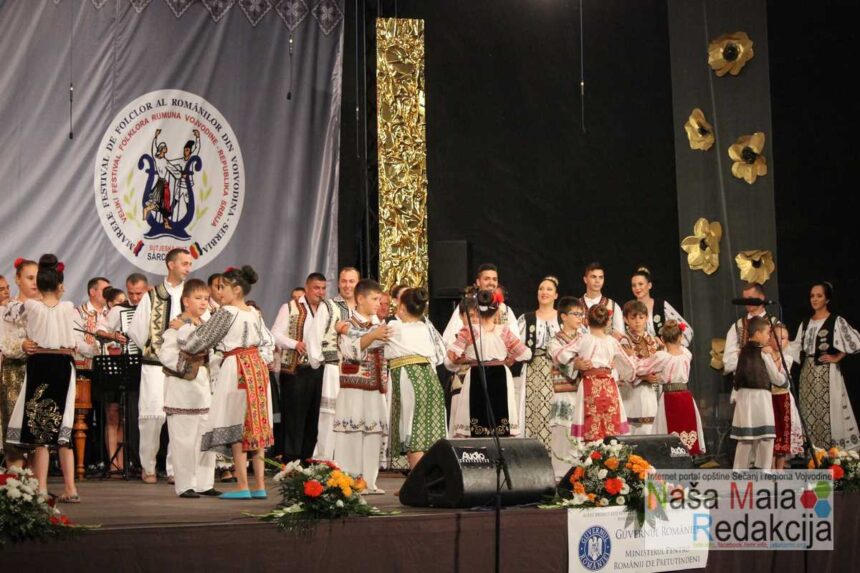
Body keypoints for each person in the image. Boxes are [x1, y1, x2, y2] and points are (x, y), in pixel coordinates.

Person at [184, 266, 275, 499]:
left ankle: (243, 486)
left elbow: (198, 341)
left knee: (237, 424)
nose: (218, 292)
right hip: (257, 365)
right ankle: (260, 485)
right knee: (256, 423)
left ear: (236, 290)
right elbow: (268, 340)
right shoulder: (253, 313)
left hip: (237, 366)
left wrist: (185, 331)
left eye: (222, 287)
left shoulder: (227, 312)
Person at [6, 254, 79, 502]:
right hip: (63, 364)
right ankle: (70, 488)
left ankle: (42, 488)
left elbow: (11, 313)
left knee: (40, 431)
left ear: (39, 284)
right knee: (62, 426)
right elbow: (73, 339)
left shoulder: (32, 306)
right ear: (60, 286)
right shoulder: (68, 306)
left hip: (40, 364)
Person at [128, 248, 194, 483]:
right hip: (155, 365)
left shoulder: (191, 295)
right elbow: (136, 330)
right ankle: (148, 467)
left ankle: (175, 469)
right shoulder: (152, 295)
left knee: (179, 416)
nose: (188, 268)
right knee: (152, 416)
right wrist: (153, 348)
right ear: (171, 264)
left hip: (183, 366)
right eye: (184, 263)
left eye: (189, 264)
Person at [158, 279, 219, 498]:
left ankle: (204, 482)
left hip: (204, 390)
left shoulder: (206, 325)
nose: (203, 303)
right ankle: (185, 485)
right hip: (183, 391)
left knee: (205, 436)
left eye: (206, 299)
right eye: (198, 298)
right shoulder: (176, 325)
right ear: (186, 301)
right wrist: (188, 363)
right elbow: (166, 355)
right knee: (183, 440)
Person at [447, 289, 532, 438]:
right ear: (497, 311)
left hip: (476, 373)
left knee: (475, 420)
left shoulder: (469, 331)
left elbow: (453, 355)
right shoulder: (504, 331)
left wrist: (468, 358)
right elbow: (526, 354)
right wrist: (509, 358)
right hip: (501, 374)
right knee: (501, 420)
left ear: (477, 311)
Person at [333, 279, 391, 493]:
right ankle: (351, 480)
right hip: (354, 388)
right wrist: (372, 336)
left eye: (379, 299)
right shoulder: (347, 325)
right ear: (360, 299)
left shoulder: (379, 326)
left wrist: (375, 335)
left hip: (376, 387)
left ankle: (369, 480)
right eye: (374, 299)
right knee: (353, 432)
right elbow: (351, 352)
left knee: (374, 432)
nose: (378, 303)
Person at [788, 282, 860, 451]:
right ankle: (813, 452)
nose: (814, 299)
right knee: (808, 411)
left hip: (827, 373)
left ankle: (831, 453)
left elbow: (855, 341)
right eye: (812, 296)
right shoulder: (806, 322)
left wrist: (837, 356)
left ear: (827, 299)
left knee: (829, 411)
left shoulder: (835, 321)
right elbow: (796, 346)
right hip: (807, 374)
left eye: (819, 296)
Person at [385, 287, 447, 469]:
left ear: (402, 307)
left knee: (413, 431)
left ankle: (419, 480)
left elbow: (368, 336)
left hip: (411, 379)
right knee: (428, 431)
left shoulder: (394, 327)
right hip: (430, 378)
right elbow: (441, 354)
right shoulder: (426, 327)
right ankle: (430, 477)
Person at [556, 305, 636, 441]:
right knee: (611, 422)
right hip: (609, 385)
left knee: (589, 421)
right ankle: (611, 451)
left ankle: (590, 451)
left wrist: (575, 362)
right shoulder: (613, 342)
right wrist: (618, 367)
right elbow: (630, 368)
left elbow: (560, 354)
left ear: (586, 321)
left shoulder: (582, 339)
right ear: (608, 322)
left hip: (589, 383)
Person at [272, 273, 326, 463]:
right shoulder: (289, 307)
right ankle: (290, 459)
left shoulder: (327, 308)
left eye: (323, 288)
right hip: (295, 370)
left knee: (314, 415)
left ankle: (308, 458)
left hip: (319, 369)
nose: (320, 292)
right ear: (307, 288)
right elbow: (275, 334)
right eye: (316, 288)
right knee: (294, 416)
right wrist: (295, 344)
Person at [308, 267, 360, 461]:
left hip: (358, 370)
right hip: (334, 367)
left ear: (358, 283)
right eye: (344, 281)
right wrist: (319, 361)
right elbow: (314, 335)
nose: (347, 285)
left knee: (354, 414)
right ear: (338, 283)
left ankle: (349, 460)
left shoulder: (362, 307)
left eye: (351, 281)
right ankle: (325, 459)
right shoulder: (329, 306)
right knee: (330, 415)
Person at [637, 320, 705, 455]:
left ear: (662, 338)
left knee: (667, 427)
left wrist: (632, 357)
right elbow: (679, 350)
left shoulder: (661, 357)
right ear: (681, 337)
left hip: (669, 397)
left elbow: (641, 368)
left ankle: (668, 455)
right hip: (686, 396)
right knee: (687, 426)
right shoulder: (686, 354)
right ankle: (688, 454)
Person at [731, 316, 788, 469]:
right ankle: (764, 471)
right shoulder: (764, 353)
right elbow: (775, 376)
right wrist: (784, 381)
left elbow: (738, 375)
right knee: (766, 438)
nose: (769, 336)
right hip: (760, 399)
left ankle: (738, 472)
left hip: (744, 399)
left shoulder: (742, 352)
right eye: (767, 333)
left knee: (745, 439)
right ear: (757, 333)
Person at [0, 258, 39, 469]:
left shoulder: (44, 309)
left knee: (36, 432)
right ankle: (16, 482)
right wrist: (21, 345)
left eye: (37, 278)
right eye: (30, 278)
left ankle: (35, 483)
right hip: (14, 374)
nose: (34, 282)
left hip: (39, 372)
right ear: (17, 279)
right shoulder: (7, 309)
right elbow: (4, 342)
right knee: (14, 434)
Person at [517, 276, 560, 450]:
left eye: (549, 289)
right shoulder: (526, 319)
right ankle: (534, 453)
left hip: (559, 372)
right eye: (541, 289)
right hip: (533, 370)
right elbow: (515, 344)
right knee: (533, 411)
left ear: (556, 295)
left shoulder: (563, 318)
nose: (544, 292)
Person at [547, 296, 585, 479]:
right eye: (575, 314)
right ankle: (560, 478)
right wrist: (576, 364)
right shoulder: (554, 341)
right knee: (563, 438)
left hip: (582, 394)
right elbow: (561, 359)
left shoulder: (584, 338)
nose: (579, 317)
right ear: (563, 316)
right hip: (563, 395)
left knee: (580, 439)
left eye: (581, 314)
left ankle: (579, 478)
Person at [442, 264, 521, 345]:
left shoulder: (504, 309)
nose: (491, 283)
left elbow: (516, 340)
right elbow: (450, 338)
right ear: (478, 282)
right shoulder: (466, 306)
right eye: (487, 279)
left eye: (494, 279)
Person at [618, 300, 664, 435]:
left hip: (653, 388)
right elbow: (625, 368)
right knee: (635, 427)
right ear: (625, 319)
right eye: (633, 318)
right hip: (633, 390)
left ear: (647, 318)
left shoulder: (652, 340)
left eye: (641, 317)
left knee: (651, 426)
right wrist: (644, 377)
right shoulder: (625, 340)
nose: (637, 321)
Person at [630, 267, 693, 346]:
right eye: (634, 285)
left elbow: (687, 330)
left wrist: (671, 347)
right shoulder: (629, 309)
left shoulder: (661, 305)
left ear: (649, 285)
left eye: (640, 284)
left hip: (663, 351)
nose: (637, 288)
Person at [770, 322, 803, 468]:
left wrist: (772, 354)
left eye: (783, 338)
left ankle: (780, 469)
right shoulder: (763, 355)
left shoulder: (787, 358)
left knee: (784, 433)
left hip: (783, 399)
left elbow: (778, 376)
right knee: (772, 433)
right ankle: (770, 468)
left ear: (787, 342)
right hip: (768, 399)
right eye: (776, 337)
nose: (779, 341)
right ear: (769, 338)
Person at [722, 283, 771, 376]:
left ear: (761, 298)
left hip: (768, 381)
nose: (747, 302)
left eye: (750, 298)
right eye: (745, 299)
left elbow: (782, 360)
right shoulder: (737, 326)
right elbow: (728, 364)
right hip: (743, 381)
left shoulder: (774, 324)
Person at [445, 297, 477, 437]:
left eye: (477, 316)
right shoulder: (456, 335)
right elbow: (447, 362)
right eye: (470, 316)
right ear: (461, 316)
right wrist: (459, 360)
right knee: (459, 427)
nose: (474, 319)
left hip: (480, 382)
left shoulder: (485, 334)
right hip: (461, 383)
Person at [581, 262, 624, 335]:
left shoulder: (613, 306)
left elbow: (620, 334)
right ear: (585, 279)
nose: (597, 281)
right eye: (593, 277)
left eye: (601, 277)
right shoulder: (576, 305)